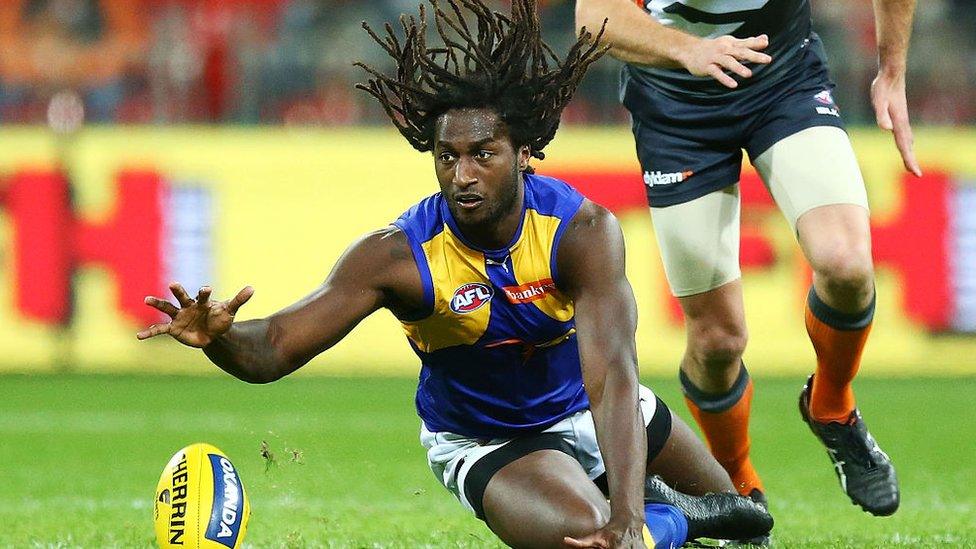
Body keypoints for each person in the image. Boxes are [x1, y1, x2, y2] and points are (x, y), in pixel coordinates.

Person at [138, 1, 772, 547]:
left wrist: (631, 518)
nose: (462, 175)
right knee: (590, 539)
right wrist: (220, 336)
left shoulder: (582, 231)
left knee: (752, 531)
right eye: (448, 157)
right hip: (489, 441)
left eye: (482, 155)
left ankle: (650, 507)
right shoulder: (397, 256)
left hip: (589, 408)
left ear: (525, 154)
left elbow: (612, 379)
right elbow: (273, 350)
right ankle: (677, 519)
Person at [575, 0, 916, 517]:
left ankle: (832, 407)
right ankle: (734, 480)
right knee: (716, 341)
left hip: (783, 79)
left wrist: (892, 72)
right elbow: (593, 18)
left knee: (846, 266)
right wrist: (690, 50)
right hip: (676, 107)